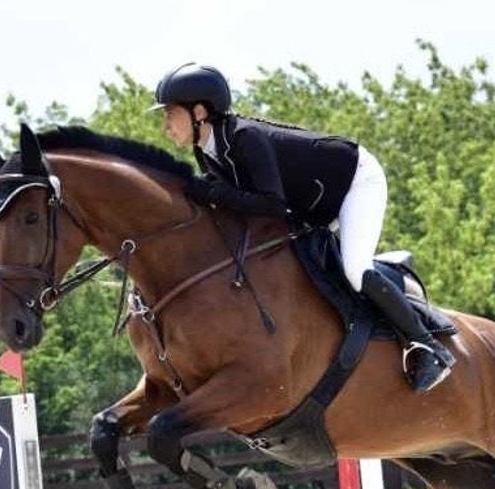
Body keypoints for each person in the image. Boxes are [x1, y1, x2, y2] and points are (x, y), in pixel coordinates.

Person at [151, 62, 455, 393]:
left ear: (199, 112)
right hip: (309, 205)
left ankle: (427, 346)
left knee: (354, 269)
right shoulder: (207, 151)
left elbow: (271, 205)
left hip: (355, 181)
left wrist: (210, 191)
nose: (165, 124)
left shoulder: (244, 138)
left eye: (170, 113)